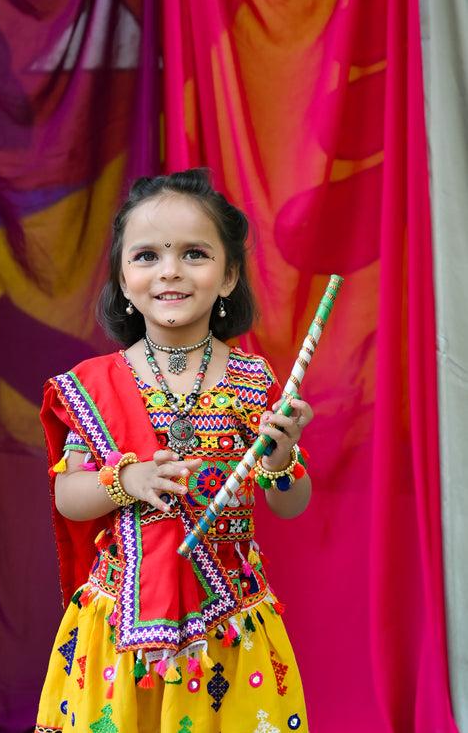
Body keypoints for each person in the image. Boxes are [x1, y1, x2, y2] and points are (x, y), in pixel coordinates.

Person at [35, 168, 313, 733]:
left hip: (229, 629)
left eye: (194, 254)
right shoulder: (95, 385)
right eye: (146, 256)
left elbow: (291, 503)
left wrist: (282, 461)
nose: (169, 271)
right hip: (121, 634)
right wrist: (126, 481)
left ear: (229, 275)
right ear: (122, 275)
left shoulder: (254, 382)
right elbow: (68, 496)